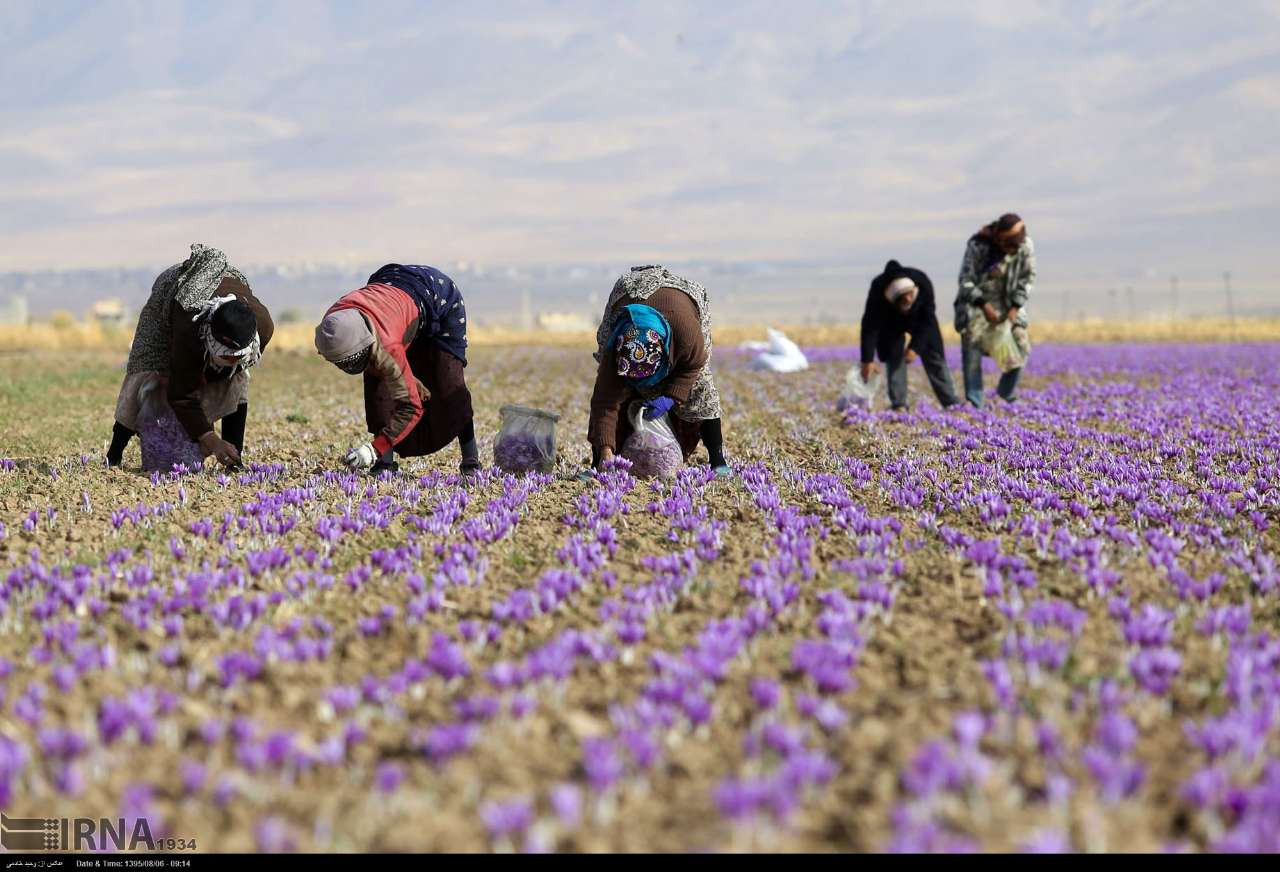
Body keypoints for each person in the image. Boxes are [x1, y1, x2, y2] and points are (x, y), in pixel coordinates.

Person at [107, 244, 272, 469]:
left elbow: (228, 372)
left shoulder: (262, 328)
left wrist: (202, 423)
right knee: (145, 369)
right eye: (226, 354)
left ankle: (234, 459)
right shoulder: (191, 328)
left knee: (235, 381)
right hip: (174, 292)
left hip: (223, 284)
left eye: (236, 356)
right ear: (209, 337)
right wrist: (209, 438)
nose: (232, 360)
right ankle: (114, 454)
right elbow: (182, 393)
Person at [314, 263, 478, 477]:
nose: (344, 368)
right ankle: (385, 466)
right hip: (389, 287)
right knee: (379, 393)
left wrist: (374, 448)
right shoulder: (335, 324)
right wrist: (410, 380)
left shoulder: (387, 346)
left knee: (449, 383)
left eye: (348, 362)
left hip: (438, 295)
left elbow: (412, 407)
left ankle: (471, 461)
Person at [587, 265, 730, 477]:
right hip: (629, 290)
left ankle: (718, 460)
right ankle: (599, 462)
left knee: (701, 389)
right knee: (617, 393)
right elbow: (604, 402)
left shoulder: (687, 334)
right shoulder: (615, 346)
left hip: (682, 299)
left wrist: (671, 397)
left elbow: (692, 366)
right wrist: (605, 451)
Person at [954, 213, 1036, 408]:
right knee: (972, 344)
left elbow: (1027, 278)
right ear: (999, 238)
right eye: (1010, 244)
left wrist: (1016, 306)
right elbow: (965, 281)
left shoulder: (1025, 246)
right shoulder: (978, 245)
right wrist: (984, 304)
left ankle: (1005, 393)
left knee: (1022, 345)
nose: (1013, 249)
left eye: (1017, 244)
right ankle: (975, 400)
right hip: (977, 304)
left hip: (1008, 304)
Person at [858, 260, 959, 411]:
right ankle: (899, 404)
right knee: (894, 356)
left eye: (910, 296)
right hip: (890, 321)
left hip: (920, 320)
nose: (908, 301)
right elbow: (870, 326)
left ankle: (951, 402)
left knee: (934, 355)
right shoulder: (878, 292)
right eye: (903, 300)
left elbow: (928, 321)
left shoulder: (922, 283)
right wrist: (867, 359)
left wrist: (915, 348)